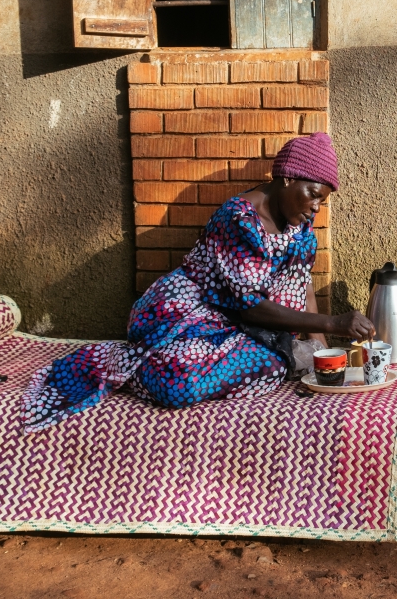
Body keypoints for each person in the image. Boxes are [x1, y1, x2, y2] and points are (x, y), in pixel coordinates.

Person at [21, 133, 375, 432]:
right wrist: (332, 322)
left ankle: (192, 361)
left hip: (244, 326)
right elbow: (246, 304)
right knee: (179, 386)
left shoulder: (299, 227)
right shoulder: (238, 219)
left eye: (323, 200)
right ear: (287, 178)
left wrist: (322, 354)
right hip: (187, 312)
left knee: (276, 366)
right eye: (313, 193)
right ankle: (117, 359)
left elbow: (301, 283)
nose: (316, 207)